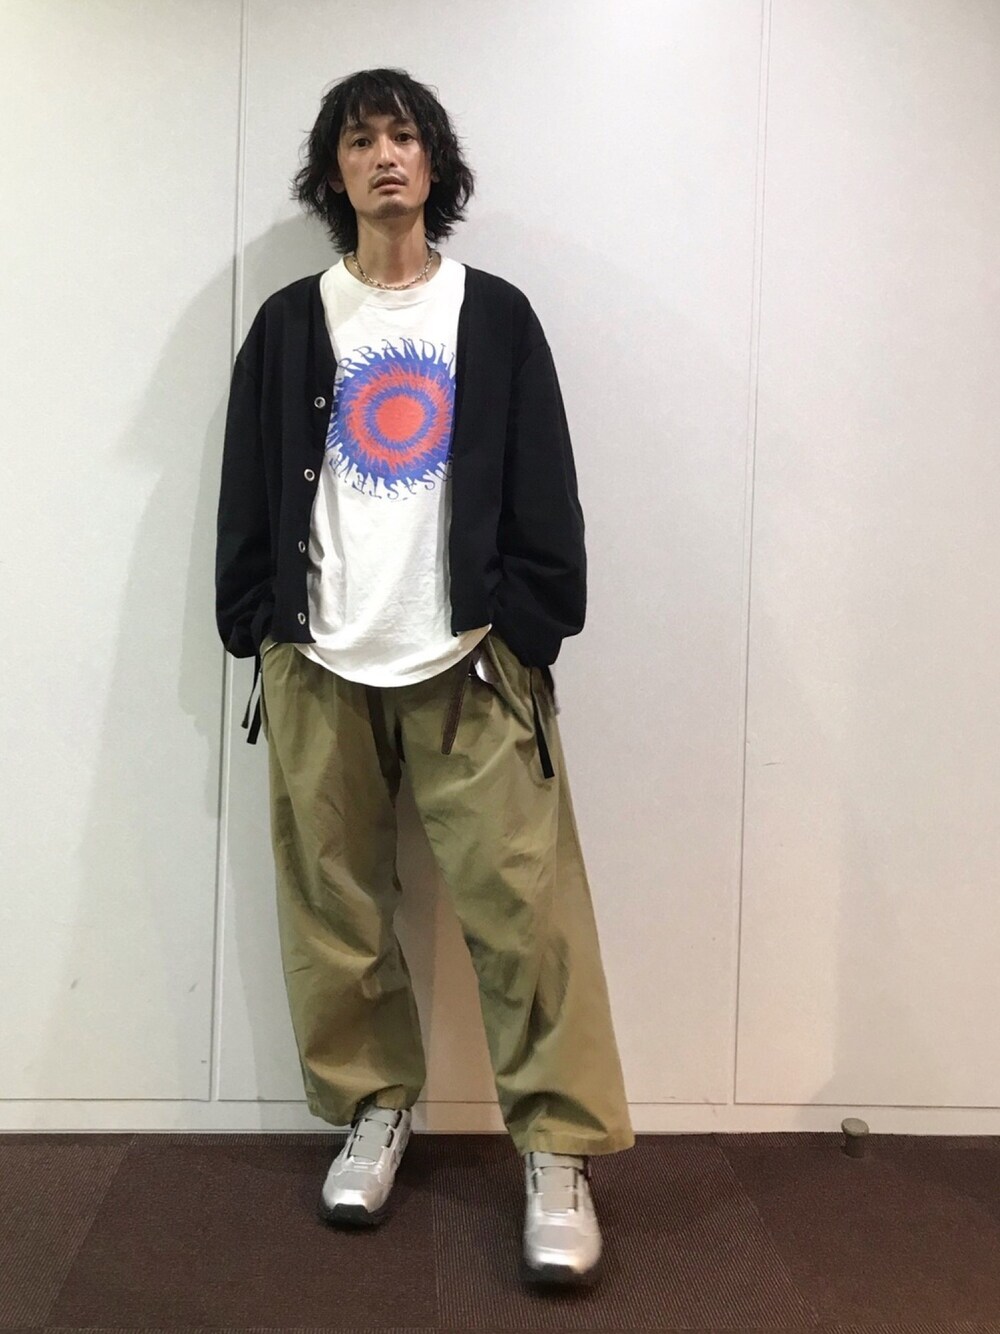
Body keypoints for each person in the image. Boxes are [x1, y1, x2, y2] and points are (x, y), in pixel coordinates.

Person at [215, 67, 634, 1287]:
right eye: (360, 140)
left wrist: (531, 626)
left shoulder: (492, 316)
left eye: (404, 136)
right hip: (320, 656)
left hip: (470, 659)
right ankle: (373, 1106)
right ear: (332, 172)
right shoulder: (290, 322)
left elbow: (545, 479)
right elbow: (249, 481)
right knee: (335, 909)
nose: (385, 156)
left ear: (434, 164)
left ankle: (556, 1148)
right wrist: (256, 623)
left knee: (526, 915)